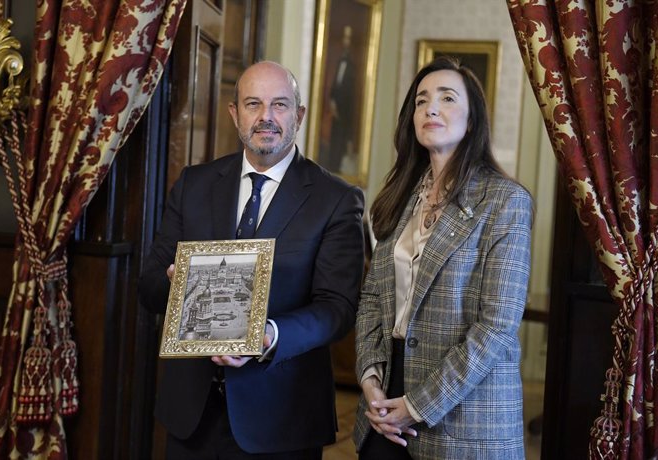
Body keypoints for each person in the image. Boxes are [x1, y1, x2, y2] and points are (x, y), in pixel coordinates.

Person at [139, 61, 365, 459]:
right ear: (234, 113)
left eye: (279, 105)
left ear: (299, 114)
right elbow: (150, 284)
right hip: (192, 416)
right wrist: (178, 286)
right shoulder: (194, 184)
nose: (266, 117)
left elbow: (338, 308)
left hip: (281, 418)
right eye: (253, 104)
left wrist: (271, 335)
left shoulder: (336, 199)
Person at [354, 56, 532, 459]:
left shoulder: (505, 201)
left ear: (471, 122)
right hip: (383, 399)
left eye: (447, 98)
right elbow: (371, 300)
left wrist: (417, 405)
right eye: (421, 100)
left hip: (463, 415)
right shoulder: (400, 196)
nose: (430, 108)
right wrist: (370, 382)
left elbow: (496, 327)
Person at [324, 24, 356, 173]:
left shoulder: (352, 64)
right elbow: (336, 83)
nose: (346, 41)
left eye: (348, 38)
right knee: (334, 139)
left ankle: (337, 166)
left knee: (341, 141)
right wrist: (332, 101)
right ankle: (332, 165)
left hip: (346, 110)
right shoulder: (339, 60)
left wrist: (341, 109)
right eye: (344, 37)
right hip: (335, 107)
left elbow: (351, 92)